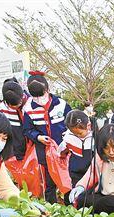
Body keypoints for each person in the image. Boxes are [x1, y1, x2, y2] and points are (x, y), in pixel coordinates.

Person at [22, 71, 72, 203]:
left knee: (67, 178)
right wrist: (38, 137)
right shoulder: (28, 108)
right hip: (44, 151)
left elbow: (72, 123)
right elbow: (27, 129)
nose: (39, 99)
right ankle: (52, 207)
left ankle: (70, 204)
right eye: (35, 97)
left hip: (63, 150)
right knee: (49, 182)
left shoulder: (61, 104)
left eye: (42, 95)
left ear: (48, 89)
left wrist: (67, 135)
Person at [59, 110, 93, 202]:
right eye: (75, 134)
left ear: (88, 126)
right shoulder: (68, 138)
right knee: (77, 196)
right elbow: (61, 152)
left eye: (80, 133)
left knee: (90, 196)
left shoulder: (95, 137)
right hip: (76, 173)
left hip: (91, 172)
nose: (78, 135)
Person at [0, 78, 31, 161]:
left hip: (32, 148)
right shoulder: (2, 108)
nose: (16, 107)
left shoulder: (30, 104)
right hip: (14, 150)